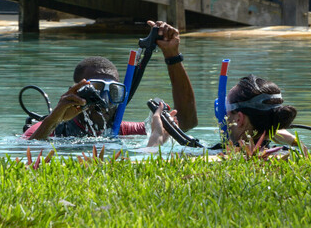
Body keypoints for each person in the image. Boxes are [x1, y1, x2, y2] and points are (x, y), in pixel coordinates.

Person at [23, 20, 198, 140]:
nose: (104, 101)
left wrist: (172, 55)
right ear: (76, 91)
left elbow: (186, 124)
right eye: (95, 91)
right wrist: (54, 119)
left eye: (114, 92)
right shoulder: (51, 130)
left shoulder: (124, 131)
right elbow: (28, 149)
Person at [147, 73, 297, 148]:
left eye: (226, 107)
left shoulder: (213, 157)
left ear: (239, 119)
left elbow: (148, 170)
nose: (222, 113)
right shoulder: (285, 152)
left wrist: (157, 137)